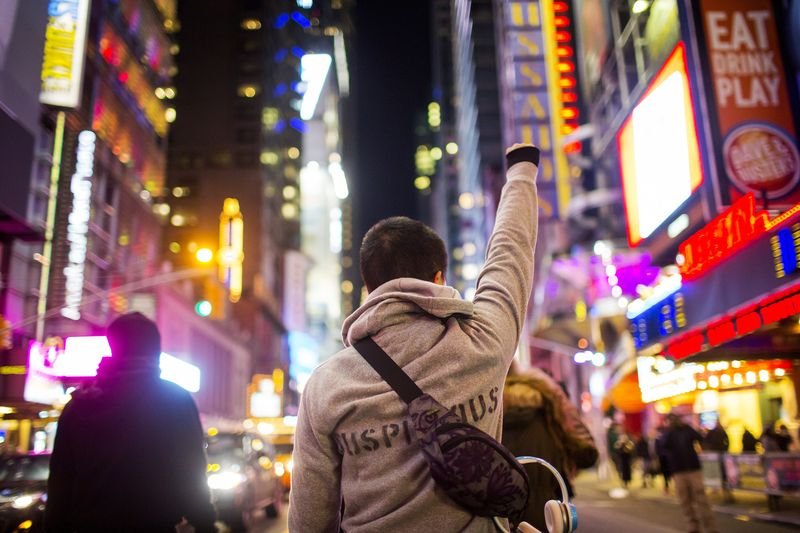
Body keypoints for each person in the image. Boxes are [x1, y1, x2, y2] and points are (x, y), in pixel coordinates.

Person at [289, 144, 541, 531]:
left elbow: (309, 516)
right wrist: (521, 173)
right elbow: (510, 252)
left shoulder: (326, 385)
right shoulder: (484, 340)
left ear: (368, 287)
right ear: (439, 279)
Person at [45, 312, 217, 532]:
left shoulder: (78, 407)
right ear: (155, 352)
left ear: (113, 348)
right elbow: (192, 476)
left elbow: (59, 486)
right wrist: (206, 525)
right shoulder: (176, 402)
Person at [502, 362, 598, 531]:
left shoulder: (484, 410)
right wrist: (561, 401)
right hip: (548, 517)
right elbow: (587, 454)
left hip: (497, 516)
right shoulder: (550, 404)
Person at [662, 413, 719, 533]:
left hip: (693, 469)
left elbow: (700, 438)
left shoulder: (687, 429)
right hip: (678, 471)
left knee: (701, 498)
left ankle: (710, 527)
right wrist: (669, 430)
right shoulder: (668, 434)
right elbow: (663, 446)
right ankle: (693, 526)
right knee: (684, 500)